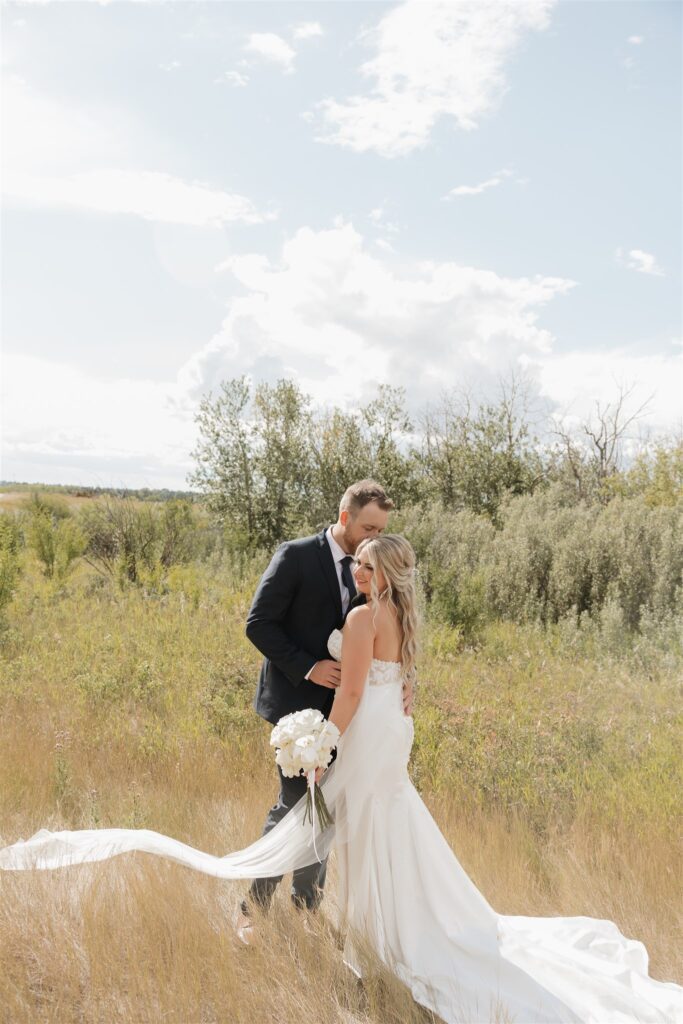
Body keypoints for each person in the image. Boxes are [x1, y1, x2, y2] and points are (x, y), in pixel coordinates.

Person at [1, 536, 681, 1023]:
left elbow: (349, 694)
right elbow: (400, 681)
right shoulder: (406, 619)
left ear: (378, 574)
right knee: (380, 820)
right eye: (354, 561)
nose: (352, 569)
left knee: (354, 821)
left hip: (366, 726)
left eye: (361, 563)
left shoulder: (362, 616)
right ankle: (378, 926)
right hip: (395, 730)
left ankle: (385, 938)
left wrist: (323, 744)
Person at [235, 479, 412, 942]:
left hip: (354, 717)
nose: (374, 536)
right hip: (299, 711)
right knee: (296, 806)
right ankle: (253, 908)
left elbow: (392, 638)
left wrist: (402, 685)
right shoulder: (296, 556)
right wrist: (309, 667)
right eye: (369, 526)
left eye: (381, 529)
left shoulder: (373, 571)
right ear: (345, 516)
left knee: (328, 811)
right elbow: (259, 625)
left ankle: (307, 906)